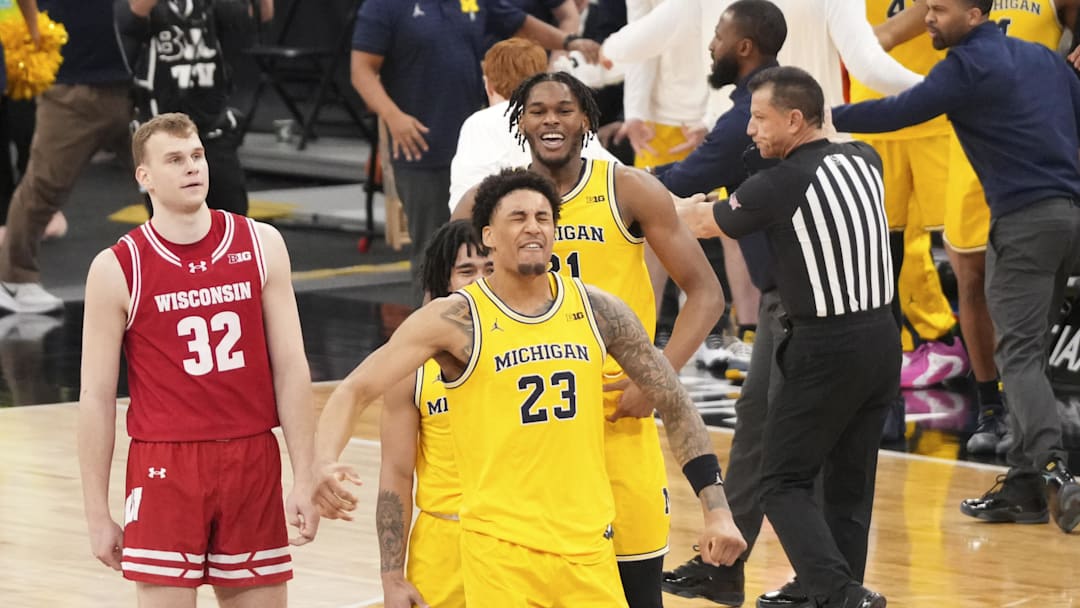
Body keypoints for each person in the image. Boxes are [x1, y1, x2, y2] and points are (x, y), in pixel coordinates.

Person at [313, 168, 745, 606]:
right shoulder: (455, 320)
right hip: (501, 557)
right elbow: (355, 389)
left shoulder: (599, 310)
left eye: (543, 217)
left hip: (588, 551)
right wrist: (324, 460)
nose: (533, 226)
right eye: (518, 217)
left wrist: (717, 510)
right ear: (489, 235)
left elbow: (674, 403)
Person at [453, 72, 724, 608]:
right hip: (529, 430)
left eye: (564, 109)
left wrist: (656, 378)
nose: (550, 120)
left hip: (614, 417)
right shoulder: (489, 202)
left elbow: (706, 294)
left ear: (586, 119)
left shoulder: (627, 189)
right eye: (537, 110)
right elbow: (442, 296)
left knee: (636, 591)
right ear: (520, 121)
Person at [831, 0, 1080, 533]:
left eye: (941, 10)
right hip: (1069, 218)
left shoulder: (965, 67)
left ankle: (1054, 470)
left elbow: (896, 111)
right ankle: (1024, 488)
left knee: (1018, 354)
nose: (929, 17)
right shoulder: (1043, 59)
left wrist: (823, 119)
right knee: (1030, 351)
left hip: (1024, 223)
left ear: (975, 14)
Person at [679, 66, 901, 608]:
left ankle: (838, 594)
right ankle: (836, 590)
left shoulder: (781, 184)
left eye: (760, 118)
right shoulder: (865, 158)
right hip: (882, 340)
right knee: (849, 482)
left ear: (795, 119)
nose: (750, 129)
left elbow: (704, 223)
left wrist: (663, 206)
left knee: (781, 481)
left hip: (826, 345)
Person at [77, 112, 319, 606]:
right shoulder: (117, 267)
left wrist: (305, 477)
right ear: (144, 176)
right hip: (165, 464)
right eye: (174, 159)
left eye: (197, 155)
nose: (192, 167)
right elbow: (96, 397)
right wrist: (97, 514)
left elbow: (292, 368)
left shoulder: (261, 244)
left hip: (252, 458)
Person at [645, 2, 786, 604]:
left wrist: (606, 183)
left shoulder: (751, 113)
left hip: (801, 306)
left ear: (744, 47)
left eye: (720, 35)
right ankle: (728, 566)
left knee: (773, 440)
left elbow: (681, 182)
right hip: (799, 302)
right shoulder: (761, 106)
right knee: (761, 432)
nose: (711, 44)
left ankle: (823, 581)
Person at [350, 0, 603, 304]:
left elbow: (520, 22)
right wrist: (393, 117)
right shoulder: (384, 5)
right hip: (423, 147)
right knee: (436, 251)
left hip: (477, 140)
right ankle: (429, 328)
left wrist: (568, 41)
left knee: (486, 251)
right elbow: (361, 70)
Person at [376, 220, 492, 608]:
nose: (481, 281)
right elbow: (396, 472)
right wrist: (392, 576)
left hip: (522, 540)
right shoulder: (410, 364)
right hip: (443, 547)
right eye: (467, 271)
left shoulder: (540, 346)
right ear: (443, 283)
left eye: (490, 268)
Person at [0, 0, 133, 314]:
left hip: (136, 80)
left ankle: (188, 269)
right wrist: (35, 35)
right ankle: (14, 279)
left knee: (166, 178)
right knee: (44, 185)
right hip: (71, 83)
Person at [114, 0, 274, 217]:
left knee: (233, 218)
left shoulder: (210, 7)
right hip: (162, 136)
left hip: (212, 130)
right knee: (172, 222)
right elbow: (133, 16)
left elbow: (260, 16)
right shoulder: (144, 9)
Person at [448, 36, 618, 211]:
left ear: (488, 84)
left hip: (519, 222)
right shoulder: (569, 118)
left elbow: (462, 204)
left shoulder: (480, 123)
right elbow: (616, 175)